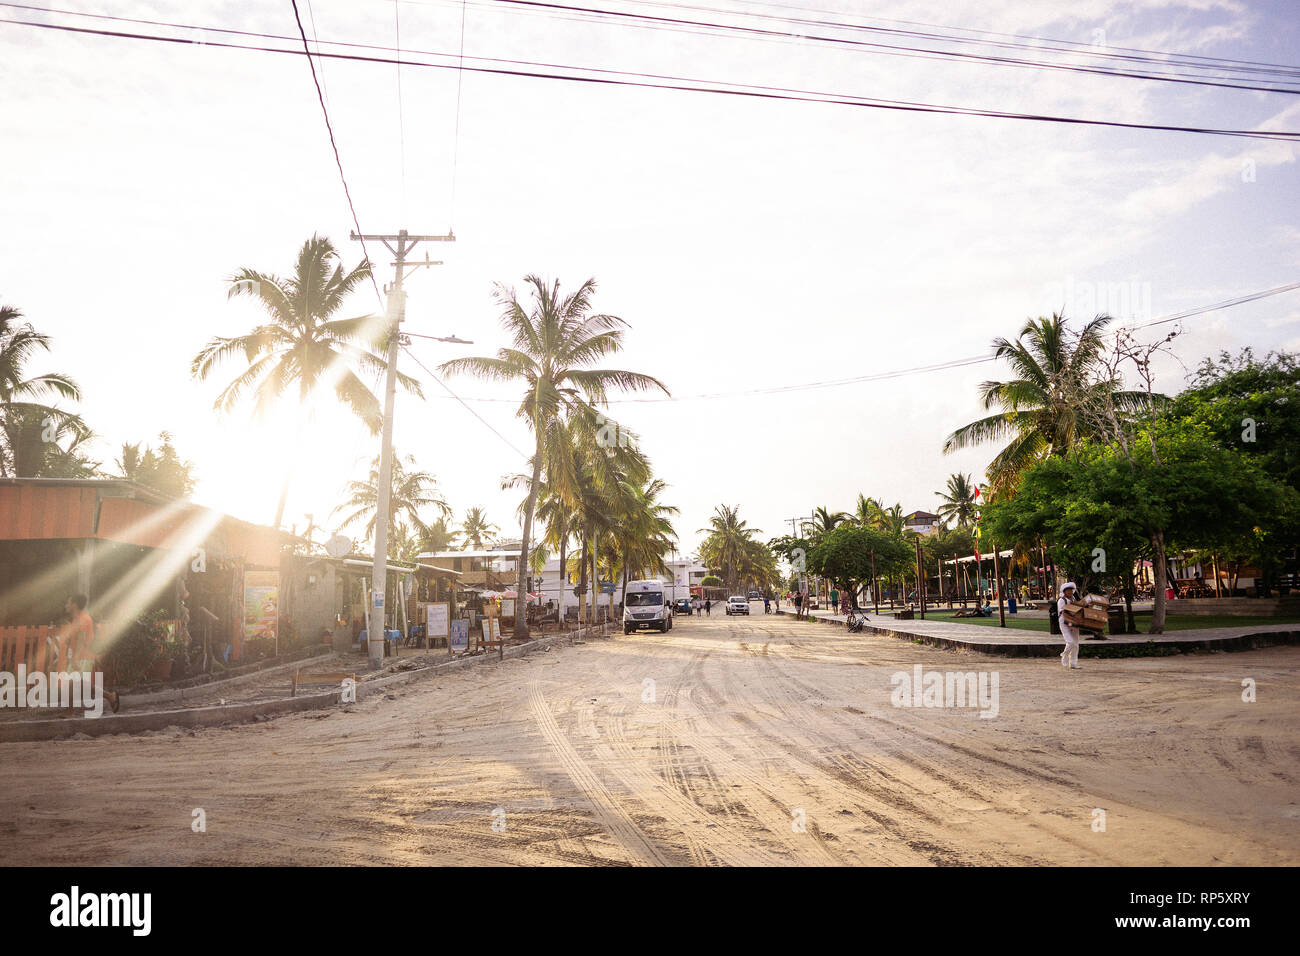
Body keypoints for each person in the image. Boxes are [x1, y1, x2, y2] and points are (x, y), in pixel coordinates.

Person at [62, 594, 119, 713]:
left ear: (75, 604)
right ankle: (70, 711)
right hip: (82, 655)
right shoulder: (77, 618)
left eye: (68, 603)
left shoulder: (82, 618)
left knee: (76, 683)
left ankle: (109, 696)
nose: (65, 605)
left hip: (83, 656)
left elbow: (81, 640)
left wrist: (75, 658)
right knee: (74, 683)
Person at [1058, 581, 1082, 669]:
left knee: (1075, 643)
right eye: (1067, 590)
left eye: (1071, 590)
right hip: (1064, 622)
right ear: (1064, 592)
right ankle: (1064, 655)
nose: (1070, 592)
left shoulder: (1074, 599)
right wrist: (1072, 619)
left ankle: (1073, 663)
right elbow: (1063, 613)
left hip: (1073, 622)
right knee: (1070, 642)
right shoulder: (1062, 600)